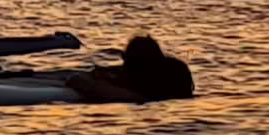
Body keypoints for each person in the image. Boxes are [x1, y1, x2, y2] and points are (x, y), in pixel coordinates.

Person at [65, 35, 195, 103]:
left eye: (125, 58)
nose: (123, 63)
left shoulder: (143, 91)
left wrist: (78, 79)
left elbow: (91, 87)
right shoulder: (158, 70)